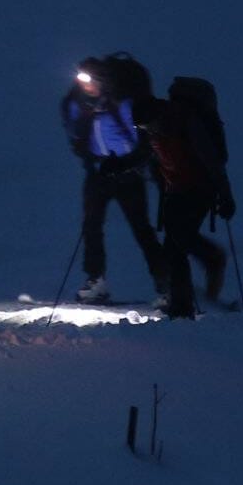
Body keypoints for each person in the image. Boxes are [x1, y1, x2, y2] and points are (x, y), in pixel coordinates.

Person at [60, 56, 165, 305]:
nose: (86, 85)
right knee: (91, 226)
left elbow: (144, 141)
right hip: (98, 173)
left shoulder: (123, 104)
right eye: (82, 80)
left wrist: (133, 164)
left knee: (141, 229)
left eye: (91, 81)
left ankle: (166, 284)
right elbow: (75, 135)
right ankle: (95, 280)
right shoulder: (77, 104)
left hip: (128, 174)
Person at [135, 87, 234, 319]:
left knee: (179, 240)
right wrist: (119, 165)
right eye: (142, 128)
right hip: (176, 190)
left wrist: (225, 195)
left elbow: (212, 161)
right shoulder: (156, 129)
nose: (147, 131)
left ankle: (209, 262)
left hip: (200, 189)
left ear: (156, 115)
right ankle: (181, 303)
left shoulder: (185, 122)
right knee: (172, 247)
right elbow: (145, 155)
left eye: (146, 125)